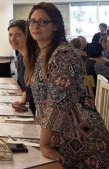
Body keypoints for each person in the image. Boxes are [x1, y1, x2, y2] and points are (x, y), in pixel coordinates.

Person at [24, 2, 109, 168]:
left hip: (82, 141)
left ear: (55, 25)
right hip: (59, 137)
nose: (36, 25)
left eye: (43, 21)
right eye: (33, 21)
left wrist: (44, 144)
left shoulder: (63, 54)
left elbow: (57, 102)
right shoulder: (41, 53)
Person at [7, 19, 36, 115]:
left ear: (27, 36)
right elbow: (25, 87)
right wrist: (22, 102)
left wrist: (27, 105)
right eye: (10, 35)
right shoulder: (20, 57)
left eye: (18, 35)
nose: (13, 39)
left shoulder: (36, 58)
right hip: (29, 108)